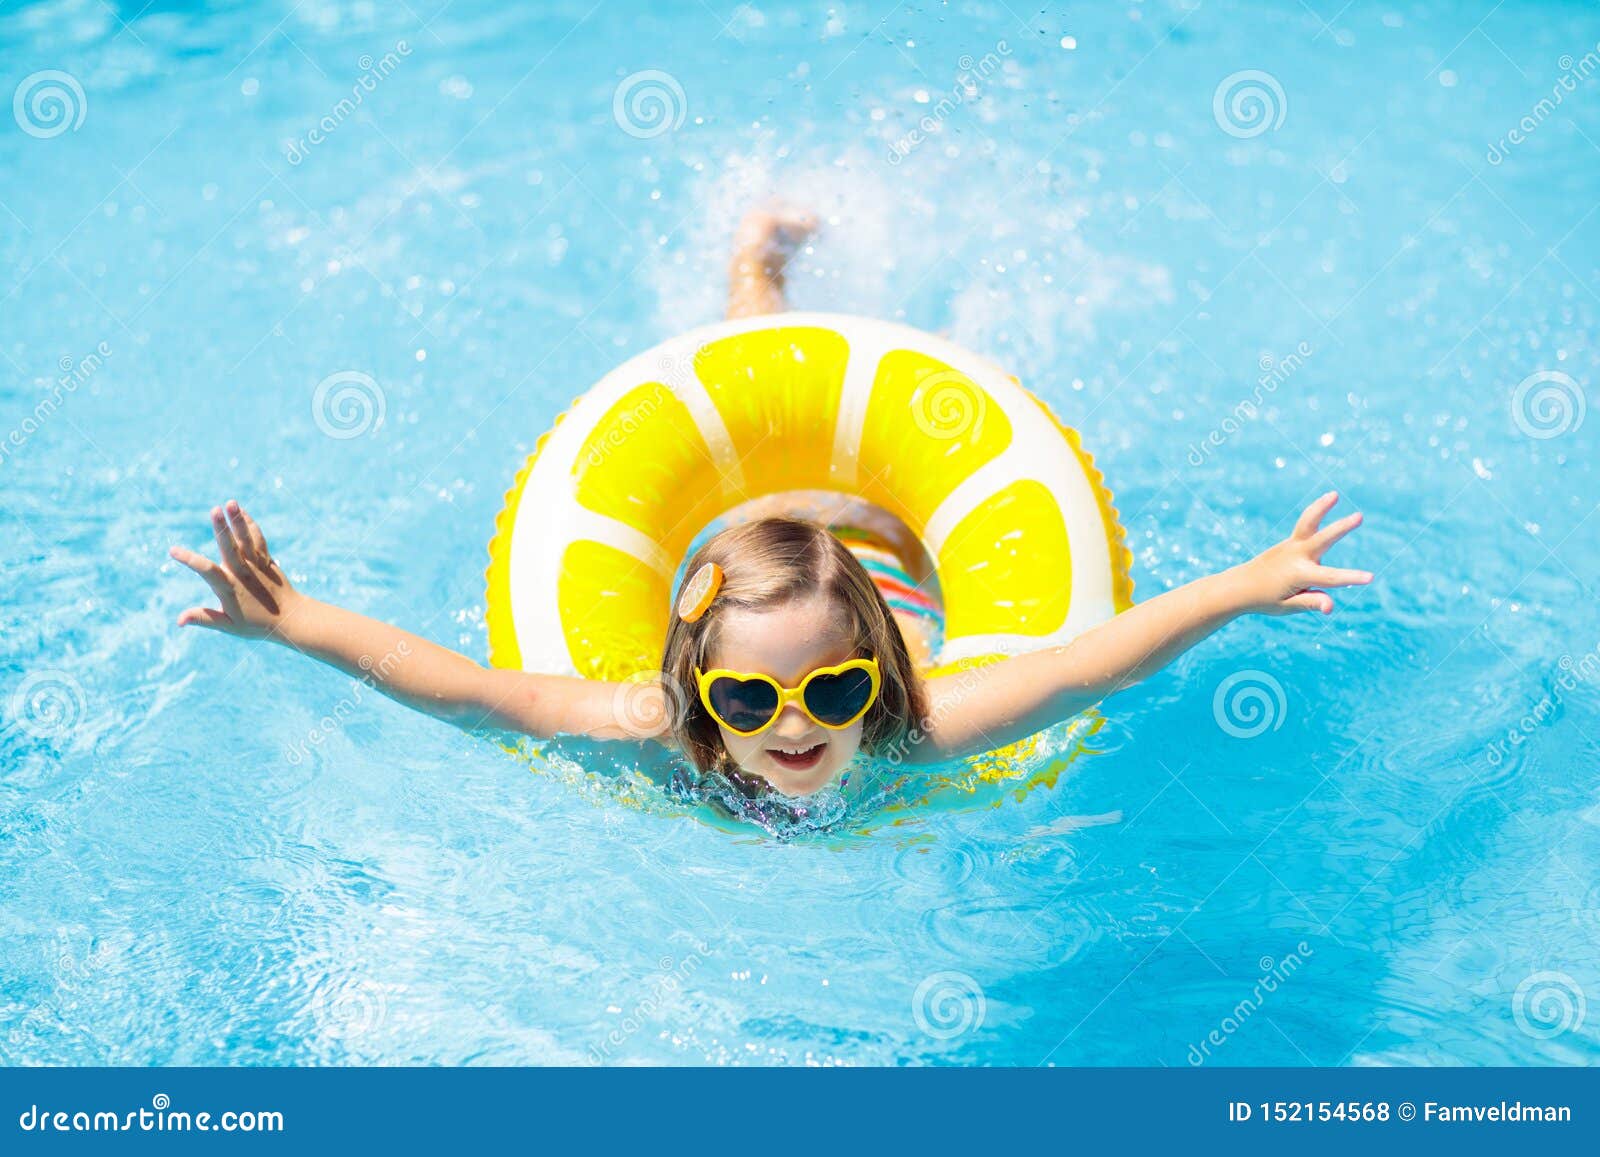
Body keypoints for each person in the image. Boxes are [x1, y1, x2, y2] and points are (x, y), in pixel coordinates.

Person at [171, 207, 1370, 798]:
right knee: (776, 439)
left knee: (840, 482)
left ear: (875, 684)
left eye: (832, 690)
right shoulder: (665, 729)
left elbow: (1084, 665)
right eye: (750, 694)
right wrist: (297, 622)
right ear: (699, 687)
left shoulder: (917, 723)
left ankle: (793, 319)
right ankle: (759, 279)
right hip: (782, 568)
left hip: (888, 570)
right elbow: (490, 697)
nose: (793, 725)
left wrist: (1241, 585)